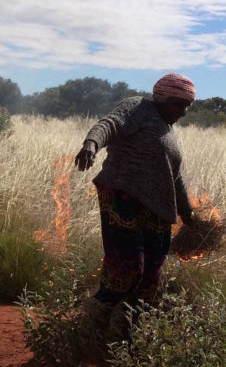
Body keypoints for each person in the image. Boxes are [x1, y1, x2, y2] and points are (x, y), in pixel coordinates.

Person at [74, 73, 198, 310]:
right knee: (127, 266)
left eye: (187, 106)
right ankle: (94, 319)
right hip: (123, 196)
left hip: (157, 211)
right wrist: (91, 143)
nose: (183, 112)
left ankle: (129, 329)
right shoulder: (139, 107)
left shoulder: (168, 132)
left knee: (151, 274)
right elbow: (110, 124)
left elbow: (176, 177)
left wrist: (188, 214)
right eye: (178, 104)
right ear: (160, 97)